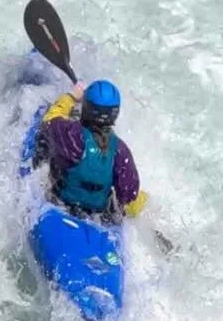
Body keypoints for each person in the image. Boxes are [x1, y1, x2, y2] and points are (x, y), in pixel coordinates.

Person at [33, 78, 148, 220]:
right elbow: (130, 199)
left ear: (86, 107)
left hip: (59, 205)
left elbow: (50, 119)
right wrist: (144, 200)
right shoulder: (121, 151)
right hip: (96, 219)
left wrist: (71, 97)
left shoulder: (70, 134)